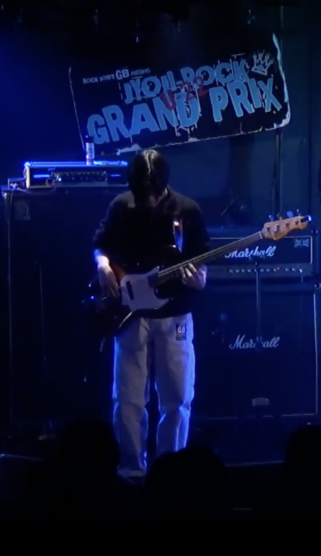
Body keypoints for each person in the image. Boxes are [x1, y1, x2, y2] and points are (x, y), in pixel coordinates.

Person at [93, 150, 210, 479]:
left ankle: (171, 472)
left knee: (177, 398)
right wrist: (102, 265)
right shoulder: (121, 206)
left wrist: (200, 279)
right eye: (143, 195)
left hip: (175, 314)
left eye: (153, 194)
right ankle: (131, 469)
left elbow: (201, 258)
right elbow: (100, 244)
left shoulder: (187, 209)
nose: (149, 201)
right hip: (130, 314)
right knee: (128, 399)